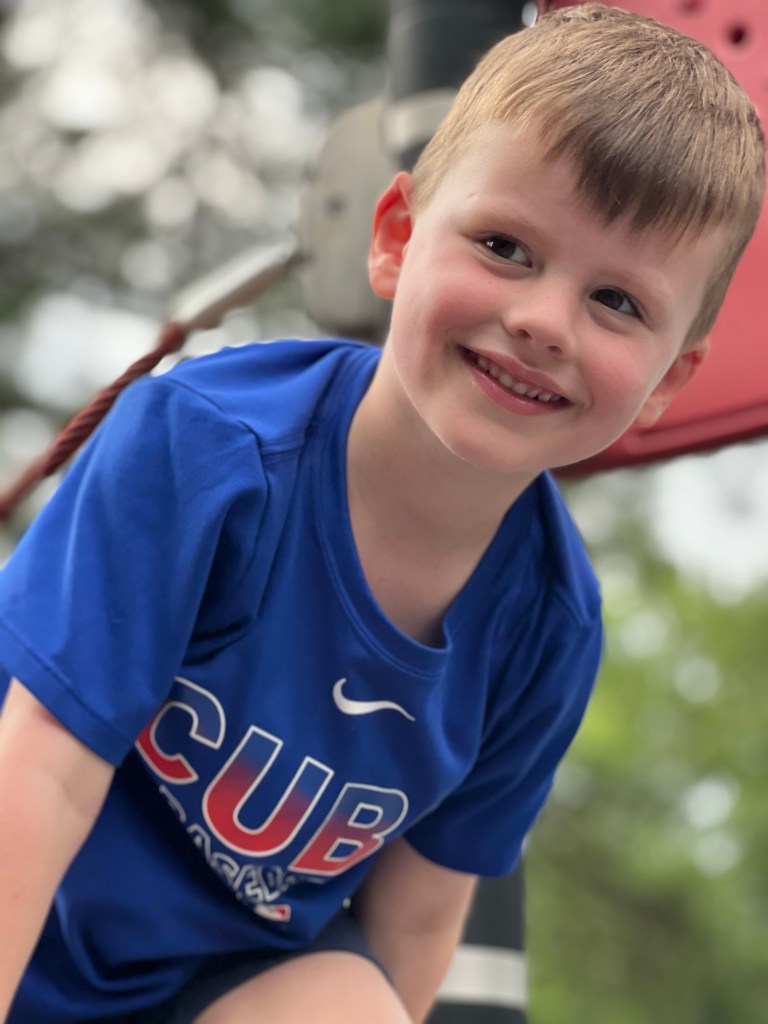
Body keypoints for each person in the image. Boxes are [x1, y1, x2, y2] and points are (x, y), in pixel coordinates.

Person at [0, 4, 763, 1023]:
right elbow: (41, 775)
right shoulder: (206, 449)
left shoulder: (549, 626)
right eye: (505, 245)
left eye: (618, 302)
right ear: (397, 237)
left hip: (201, 982)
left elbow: (417, 919)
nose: (543, 320)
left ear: (669, 380)